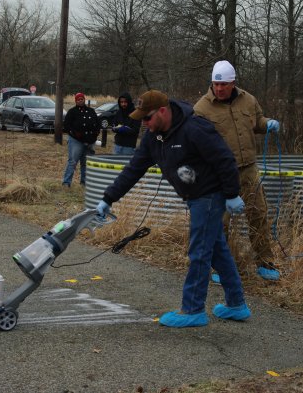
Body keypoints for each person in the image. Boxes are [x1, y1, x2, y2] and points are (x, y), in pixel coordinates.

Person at [95, 89, 251, 328]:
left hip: (209, 196)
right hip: (194, 197)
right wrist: (109, 198)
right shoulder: (152, 137)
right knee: (217, 250)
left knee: (199, 252)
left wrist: (231, 194)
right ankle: (236, 304)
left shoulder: (195, 128)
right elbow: (134, 169)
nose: (145, 124)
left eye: (148, 118)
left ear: (163, 111)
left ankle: (192, 309)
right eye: (142, 120)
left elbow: (225, 159)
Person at [193, 60, 281, 281]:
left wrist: (268, 123)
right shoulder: (201, 109)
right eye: (216, 84)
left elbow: (257, 121)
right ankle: (220, 267)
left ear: (233, 83)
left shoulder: (248, 100)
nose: (220, 89)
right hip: (219, 173)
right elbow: (196, 143)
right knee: (219, 222)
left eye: (225, 85)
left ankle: (265, 263)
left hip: (249, 168)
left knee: (258, 215)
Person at [62, 92, 100, 187]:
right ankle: (66, 182)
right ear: (76, 101)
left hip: (90, 140)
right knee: (73, 162)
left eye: (82, 99)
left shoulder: (91, 111)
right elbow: (66, 126)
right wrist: (74, 133)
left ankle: (84, 182)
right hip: (76, 140)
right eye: (78, 99)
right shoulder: (72, 112)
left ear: (84, 99)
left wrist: (96, 133)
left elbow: (97, 123)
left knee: (86, 163)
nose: (80, 101)